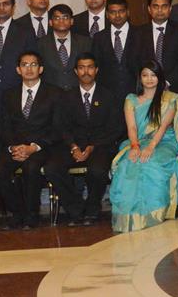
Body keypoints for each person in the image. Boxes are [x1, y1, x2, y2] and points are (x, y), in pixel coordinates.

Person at [108, 60, 178, 232]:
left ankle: (152, 213)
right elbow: (132, 127)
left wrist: (150, 147)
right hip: (137, 141)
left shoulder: (171, 99)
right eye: (145, 75)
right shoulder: (131, 100)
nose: (149, 79)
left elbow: (162, 128)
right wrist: (135, 146)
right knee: (128, 164)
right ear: (140, 78)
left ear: (160, 77)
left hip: (165, 142)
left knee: (151, 163)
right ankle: (128, 217)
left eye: (153, 75)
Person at [47, 53, 125, 226]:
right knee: (51, 167)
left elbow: (116, 128)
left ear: (96, 70)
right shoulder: (66, 96)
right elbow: (60, 126)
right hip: (72, 145)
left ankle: (92, 208)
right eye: (81, 68)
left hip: (100, 145)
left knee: (97, 170)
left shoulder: (108, 96)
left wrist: (92, 146)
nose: (86, 71)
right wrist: (73, 146)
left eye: (90, 67)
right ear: (76, 71)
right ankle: (75, 208)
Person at [0, 51, 60, 230]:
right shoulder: (8, 94)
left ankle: (32, 215)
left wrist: (33, 147)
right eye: (24, 65)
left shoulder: (54, 93)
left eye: (33, 64)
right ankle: (17, 212)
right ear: (18, 69)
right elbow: (4, 125)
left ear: (41, 68)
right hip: (16, 146)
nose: (29, 69)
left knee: (32, 167)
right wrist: (14, 147)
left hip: (42, 147)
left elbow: (57, 128)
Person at [92, 0, 146, 104]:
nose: (117, 15)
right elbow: (97, 66)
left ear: (128, 12)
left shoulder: (141, 34)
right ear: (107, 15)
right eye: (113, 12)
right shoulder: (99, 37)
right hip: (108, 96)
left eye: (121, 11)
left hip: (137, 94)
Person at [137, 0, 178, 91]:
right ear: (149, 9)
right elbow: (137, 61)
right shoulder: (139, 32)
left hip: (175, 87)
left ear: (170, 8)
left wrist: (167, 82)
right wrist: (148, 81)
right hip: (147, 88)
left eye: (164, 6)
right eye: (155, 6)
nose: (160, 10)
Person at [37, 4, 91, 92]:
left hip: (78, 94)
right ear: (50, 22)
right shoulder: (40, 44)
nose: (61, 21)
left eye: (65, 17)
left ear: (72, 21)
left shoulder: (85, 42)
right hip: (50, 95)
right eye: (57, 18)